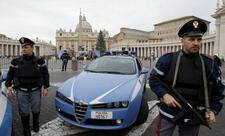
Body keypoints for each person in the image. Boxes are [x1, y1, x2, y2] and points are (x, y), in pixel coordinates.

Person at [149, 19, 224, 136]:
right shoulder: (168, 59)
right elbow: (154, 79)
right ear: (182, 41)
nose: (196, 43)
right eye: (191, 39)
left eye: (199, 40)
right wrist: (164, 94)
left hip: (194, 115)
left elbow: (218, 89)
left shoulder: (209, 63)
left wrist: (213, 110)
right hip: (169, 112)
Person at [5, 37, 50, 136]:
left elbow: (45, 74)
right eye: (23, 47)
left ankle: (35, 124)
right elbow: (10, 74)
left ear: (32, 48)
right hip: (21, 90)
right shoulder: (16, 61)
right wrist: (8, 85)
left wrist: (46, 87)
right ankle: (26, 128)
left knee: (35, 109)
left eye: (26, 47)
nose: (23, 49)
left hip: (36, 90)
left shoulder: (40, 61)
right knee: (23, 111)